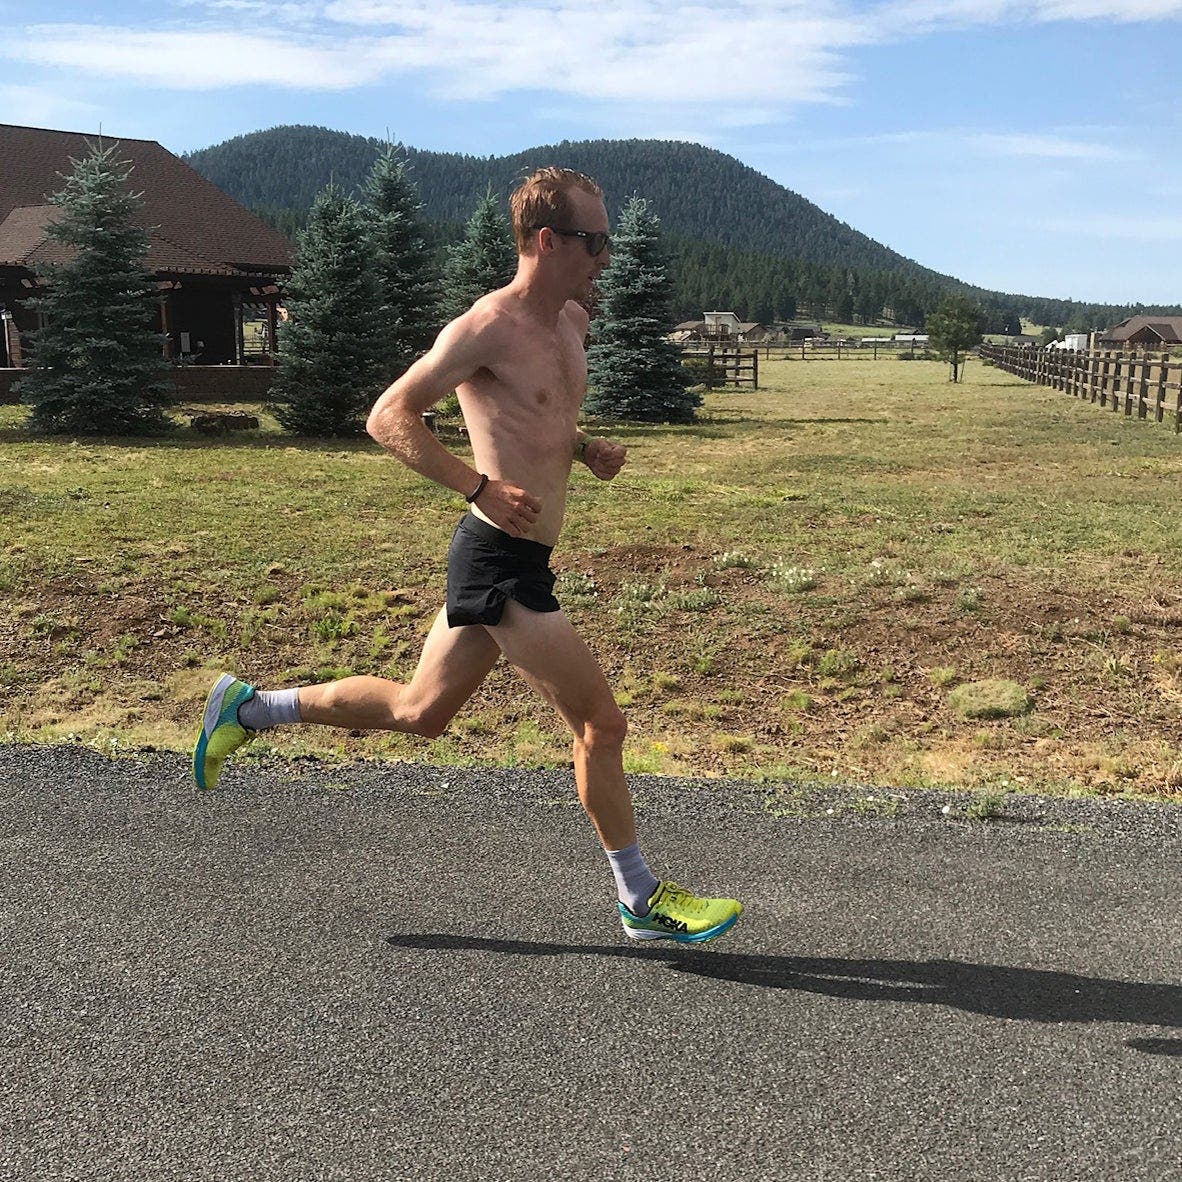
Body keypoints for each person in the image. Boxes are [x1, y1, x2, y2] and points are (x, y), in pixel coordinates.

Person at [192, 167, 742, 945]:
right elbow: (389, 415)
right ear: (547, 241)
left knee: (420, 713)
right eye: (595, 240)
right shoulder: (485, 327)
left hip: (520, 557)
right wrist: (476, 485)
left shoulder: (572, 321)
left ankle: (247, 708)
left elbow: (540, 419)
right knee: (600, 725)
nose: (606, 256)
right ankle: (641, 900)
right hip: (497, 559)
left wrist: (583, 448)